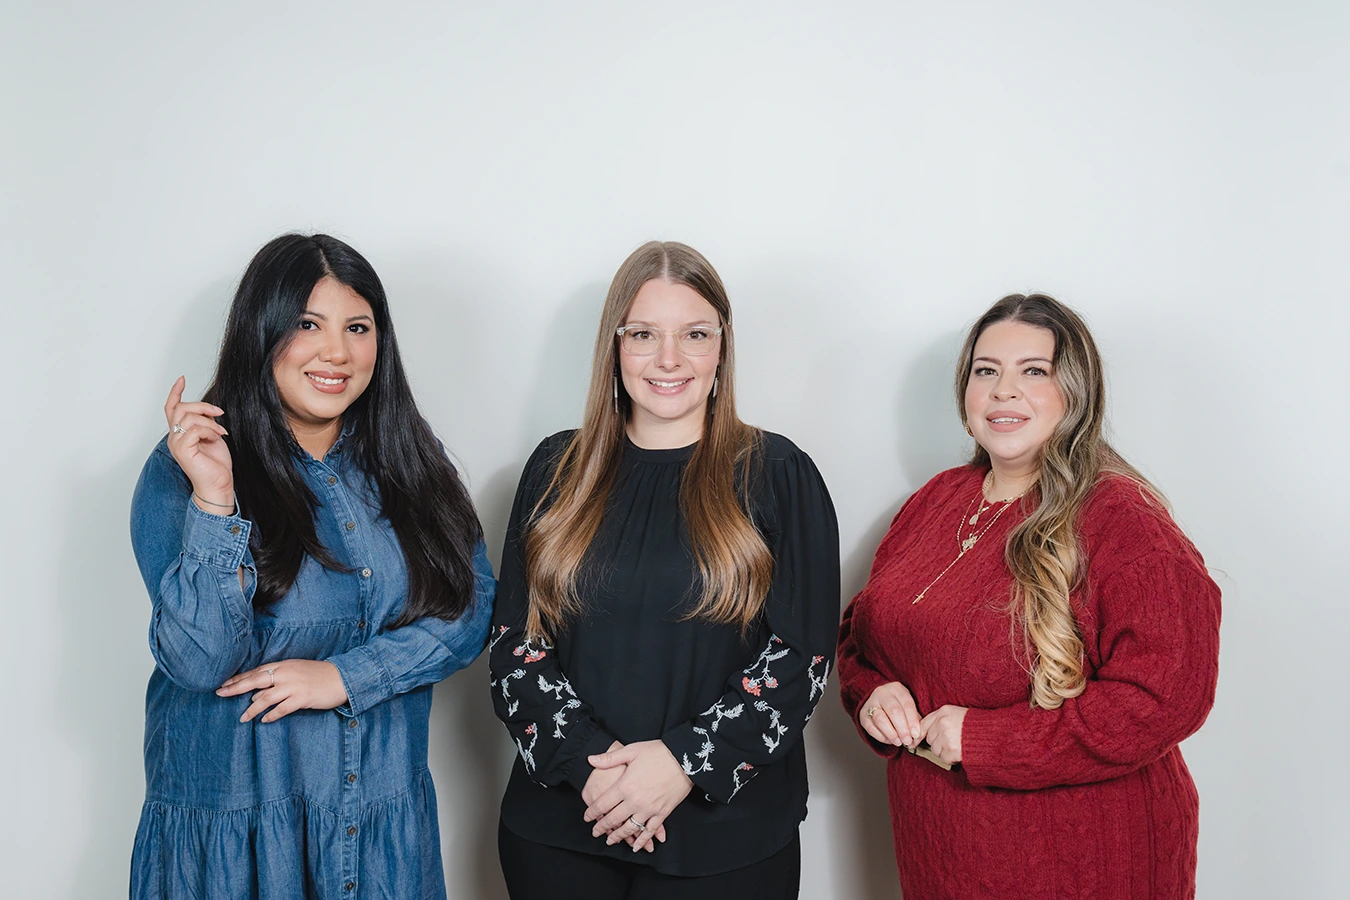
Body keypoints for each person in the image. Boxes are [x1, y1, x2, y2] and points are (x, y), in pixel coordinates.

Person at [128, 233, 495, 899]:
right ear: (261, 331)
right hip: (237, 839)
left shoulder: (412, 457)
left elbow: (468, 609)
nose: (337, 352)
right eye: (306, 324)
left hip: (379, 831)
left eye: (358, 327)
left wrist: (346, 677)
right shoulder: (185, 469)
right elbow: (201, 662)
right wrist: (215, 500)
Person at [837, 293, 1221, 900]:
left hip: (1082, 863)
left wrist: (989, 742)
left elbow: (1166, 699)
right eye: (986, 371)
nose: (1004, 391)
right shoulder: (936, 501)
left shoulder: (1123, 521)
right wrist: (872, 693)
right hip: (943, 854)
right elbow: (861, 631)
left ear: (1076, 393)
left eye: (1033, 371)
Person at [489, 241, 839, 899]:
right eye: (644, 334)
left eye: (694, 334)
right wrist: (595, 771)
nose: (669, 359)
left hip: (727, 841)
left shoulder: (779, 474)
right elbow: (514, 646)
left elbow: (802, 659)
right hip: (562, 829)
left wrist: (682, 763)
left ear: (722, 348)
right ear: (614, 347)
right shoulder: (555, 470)